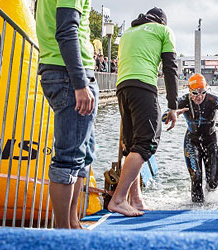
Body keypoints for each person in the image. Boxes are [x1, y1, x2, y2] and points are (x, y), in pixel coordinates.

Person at [107, 7, 183, 217]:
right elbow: (170, 69)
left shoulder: (128, 33)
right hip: (143, 86)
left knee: (132, 145)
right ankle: (119, 199)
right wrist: (173, 106)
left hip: (122, 87)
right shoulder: (163, 31)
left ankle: (136, 199)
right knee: (147, 142)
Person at [36, 0, 97, 229]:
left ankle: (72, 224)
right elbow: (66, 29)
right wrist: (80, 83)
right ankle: (63, 233)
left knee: (82, 154)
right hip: (69, 75)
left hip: (65, 71)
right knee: (69, 158)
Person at [176, 73, 218, 202]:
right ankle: (196, 209)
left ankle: (210, 203)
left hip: (210, 141)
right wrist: (172, 113)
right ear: (189, 90)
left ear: (207, 89)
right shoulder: (182, 101)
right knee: (196, 176)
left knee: (213, 182)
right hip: (191, 141)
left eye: (202, 92)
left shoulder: (213, 101)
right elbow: (163, 116)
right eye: (195, 93)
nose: (199, 97)